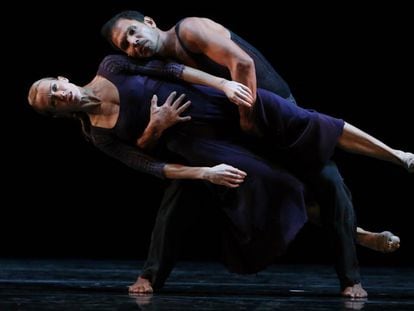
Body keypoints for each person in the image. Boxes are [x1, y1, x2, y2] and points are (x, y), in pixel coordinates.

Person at [27, 55, 413, 297]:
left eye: (53, 89)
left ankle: (396, 159)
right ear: (57, 115)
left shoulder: (110, 65)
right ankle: (151, 276)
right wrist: (189, 158)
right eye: (52, 103)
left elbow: (171, 69)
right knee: (268, 185)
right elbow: (149, 164)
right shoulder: (100, 135)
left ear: (62, 78)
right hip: (198, 147)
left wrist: (225, 83)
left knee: (323, 159)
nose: (59, 96)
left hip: (219, 109)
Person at [101, 11, 401, 295]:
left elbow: (242, 64)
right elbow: (138, 149)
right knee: (185, 190)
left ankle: (351, 277)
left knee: (328, 181)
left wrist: (247, 121)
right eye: (124, 45)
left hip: (266, 116)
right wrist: (156, 126)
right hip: (230, 131)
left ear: (149, 22)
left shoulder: (189, 30)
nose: (133, 43)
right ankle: (150, 275)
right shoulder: (154, 67)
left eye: (132, 32)